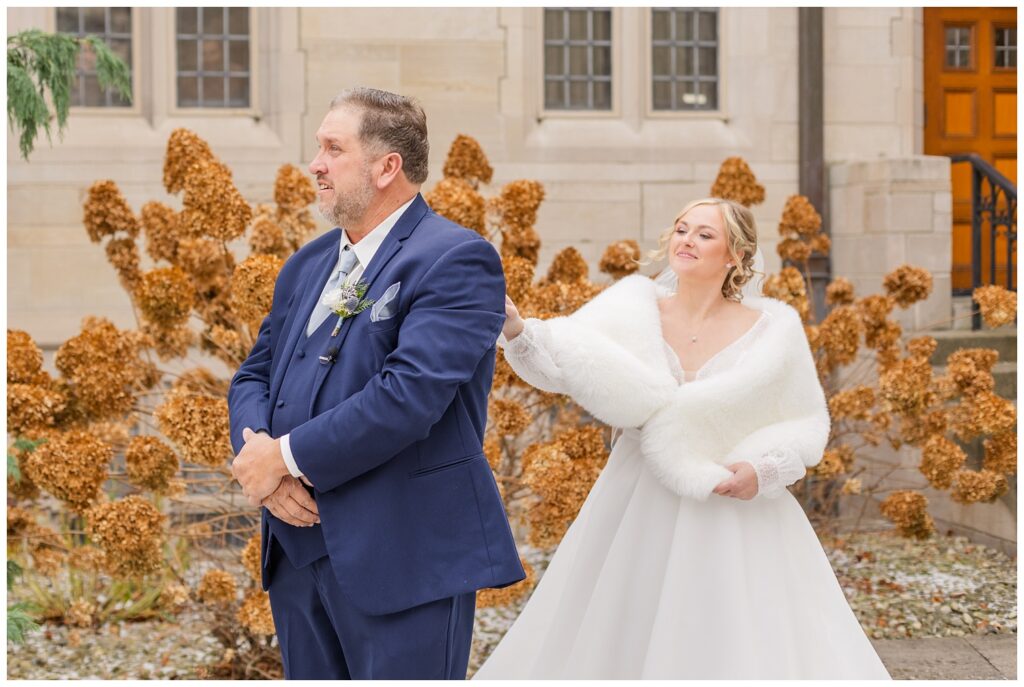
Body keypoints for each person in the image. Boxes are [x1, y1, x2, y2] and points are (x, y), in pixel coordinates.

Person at [474, 198, 890, 679]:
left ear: (734, 255)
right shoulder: (629, 308)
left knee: (736, 635)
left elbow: (805, 422)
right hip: (637, 499)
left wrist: (765, 471)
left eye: (705, 234)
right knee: (620, 624)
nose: (687, 240)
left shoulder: (774, 331)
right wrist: (516, 327)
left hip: (734, 509)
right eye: (681, 229)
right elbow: (559, 360)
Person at [228, 87, 524, 680]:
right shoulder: (307, 264)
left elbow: (408, 396)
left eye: (333, 149)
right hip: (295, 548)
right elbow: (255, 372)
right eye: (319, 148)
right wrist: (256, 452)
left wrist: (282, 458)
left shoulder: (457, 260)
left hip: (404, 550)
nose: (315, 164)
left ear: (387, 167)